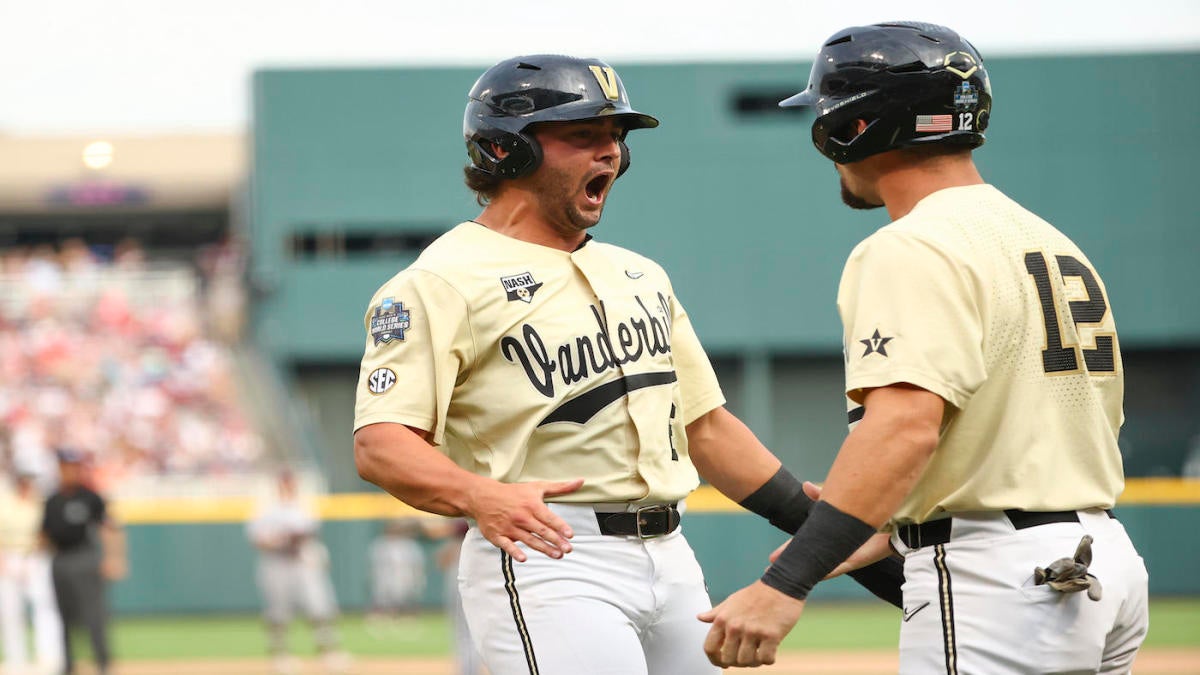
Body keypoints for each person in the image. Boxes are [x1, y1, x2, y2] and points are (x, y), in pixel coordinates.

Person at [353, 53, 902, 675]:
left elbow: (707, 428)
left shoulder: (639, 274)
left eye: (615, 136)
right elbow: (381, 443)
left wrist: (824, 530)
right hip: (552, 555)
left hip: (670, 553)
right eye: (584, 135)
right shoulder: (439, 282)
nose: (610, 152)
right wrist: (478, 494)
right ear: (507, 150)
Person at [700, 22, 1150, 673]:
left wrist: (785, 583)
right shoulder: (1048, 239)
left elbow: (906, 429)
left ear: (852, 126)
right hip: (1100, 558)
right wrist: (886, 520)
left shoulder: (910, 245)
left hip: (1000, 574)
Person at [246, 470, 350, 675]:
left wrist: (287, 537)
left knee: (320, 607)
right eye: (284, 482)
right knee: (277, 611)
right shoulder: (265, 508)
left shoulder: (304, 505)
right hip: (275, 562)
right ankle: (280, 655)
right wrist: (281, 540)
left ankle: (329, 653)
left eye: (290, 482)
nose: (287, 486)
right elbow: (258, 539)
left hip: (302, 561)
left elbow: (309, 532)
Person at [40, 449, 124, 675]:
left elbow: (111, 527)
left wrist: (113, 558)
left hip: (84, 558)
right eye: (64, 467)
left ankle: (103, 664)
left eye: (73, 466)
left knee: (93, 616)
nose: (69, 471)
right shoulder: (52, 500)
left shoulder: (90, 497)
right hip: (60, 560)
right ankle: (68, 665)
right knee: (64, 617)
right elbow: (43, 534)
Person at [0, 469, 63, 675]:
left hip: (35, 558)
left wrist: (32, 557)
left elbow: (46, 533)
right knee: (10, 611)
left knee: (44, 606)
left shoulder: (40, 504)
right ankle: (15, 659)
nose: (27, 485)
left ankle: (49, 656)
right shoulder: (6, 502)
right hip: (9, 557)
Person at [366, 518, 426, 624]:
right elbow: (374, 564)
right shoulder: (380, 544)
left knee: (406, 598)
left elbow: (417, 564)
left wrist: (417, 578)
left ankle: (407, 618)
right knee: (384, 599)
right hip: (385, 578)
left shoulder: (409, 545)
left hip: (405, 577)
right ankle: (385, 617)